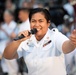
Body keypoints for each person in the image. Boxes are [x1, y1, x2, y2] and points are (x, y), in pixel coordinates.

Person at [3, 8, 76, 75]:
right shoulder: (27, 39)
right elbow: (7, 55)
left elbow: (66, 47)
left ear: (48, 23)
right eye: (33, 21)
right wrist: (18, 41)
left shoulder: (55, 36)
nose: (37, 24)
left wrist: (72, 42)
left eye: (41, 21)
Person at [0, 10, 19, 75]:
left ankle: (13, 72)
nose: (5, 18)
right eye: (4, 16)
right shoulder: (3, 25)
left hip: (11, 43)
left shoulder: (15, 25)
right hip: (2, 43)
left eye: (7, 16)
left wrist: (4, 30)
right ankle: (5, 71)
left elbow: (15, 36)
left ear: (11, 17)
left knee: (7, 52)